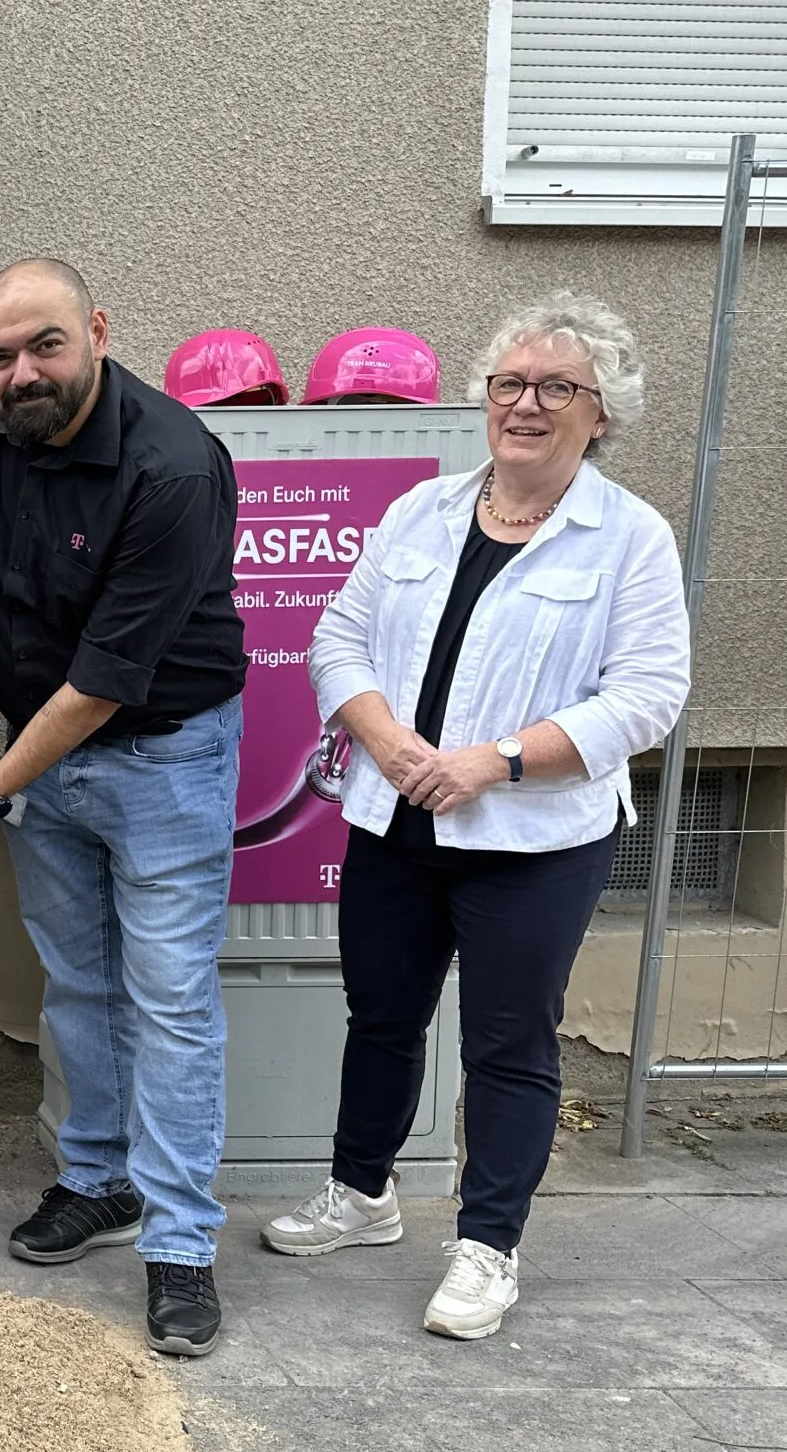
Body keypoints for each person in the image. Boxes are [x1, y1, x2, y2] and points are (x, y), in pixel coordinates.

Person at [272, 294, 689, 1339]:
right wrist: (385, 740)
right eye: (510, 383)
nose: (526, 404)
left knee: (507, 1042)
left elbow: (645, 695)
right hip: (396, 816)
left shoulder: (628, 539)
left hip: (533, 841)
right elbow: (338, 639)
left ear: (602, 414)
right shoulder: (421, 509)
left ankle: (486, 1246)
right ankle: (362, 1194)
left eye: (558, 387)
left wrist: (496, 762)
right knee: (380, 1016)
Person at [0, 258, 246, 1358]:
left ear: (98, 332)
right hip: (37, 746)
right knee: (79, 982)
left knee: (167, 999)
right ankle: (99, 1181)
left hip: (162, 755)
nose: (21, 375)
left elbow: (105, 684)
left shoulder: (171, 467)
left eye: (44, 347)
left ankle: (182, 1245)